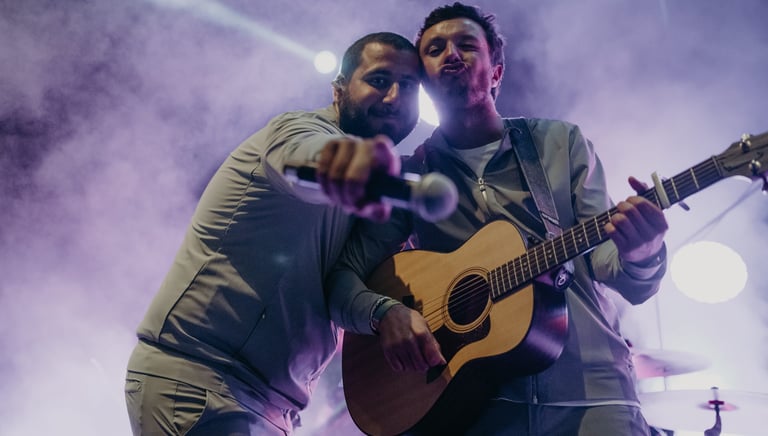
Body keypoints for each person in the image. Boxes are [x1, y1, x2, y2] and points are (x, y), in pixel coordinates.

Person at [326, 3, 669, 435]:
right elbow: (342, 279)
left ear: (497, 72)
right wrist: (384, 312)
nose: (452, 54)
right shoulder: (412, 176)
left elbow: (612, 269)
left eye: (467, 45)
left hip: (594, 396)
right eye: (435, 49)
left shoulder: (561, 143)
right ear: (424, 82)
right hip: (477, 405)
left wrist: (643, 252)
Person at [123, 31, 421, 435]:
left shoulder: (367, 195)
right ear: (338, 90)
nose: (394, 98)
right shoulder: (297, 131)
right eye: (379, 80)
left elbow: (337, 289)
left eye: (409, 86)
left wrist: (384, 311)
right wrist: (347, 162)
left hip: (269, 406)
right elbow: (304, 158)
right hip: (202, 382)